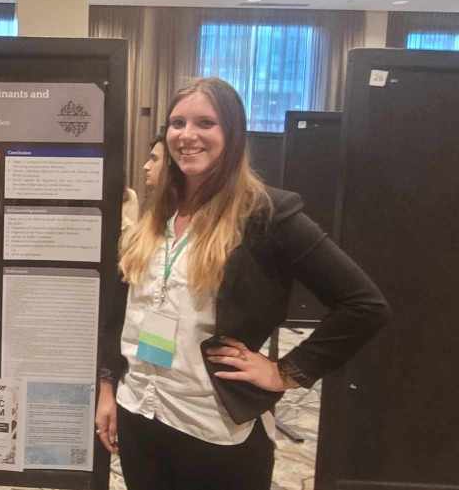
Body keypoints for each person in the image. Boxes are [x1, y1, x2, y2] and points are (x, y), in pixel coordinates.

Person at [94, 78, 389, 490]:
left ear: (232, 134)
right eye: (177, 123)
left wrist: (286, 372)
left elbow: (364, 304)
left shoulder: (266, 214)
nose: (187, 135)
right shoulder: (156, 216)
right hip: (140, 411)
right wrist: (108, 386)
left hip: (215, 427)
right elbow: (120, 315)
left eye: (205, 123)